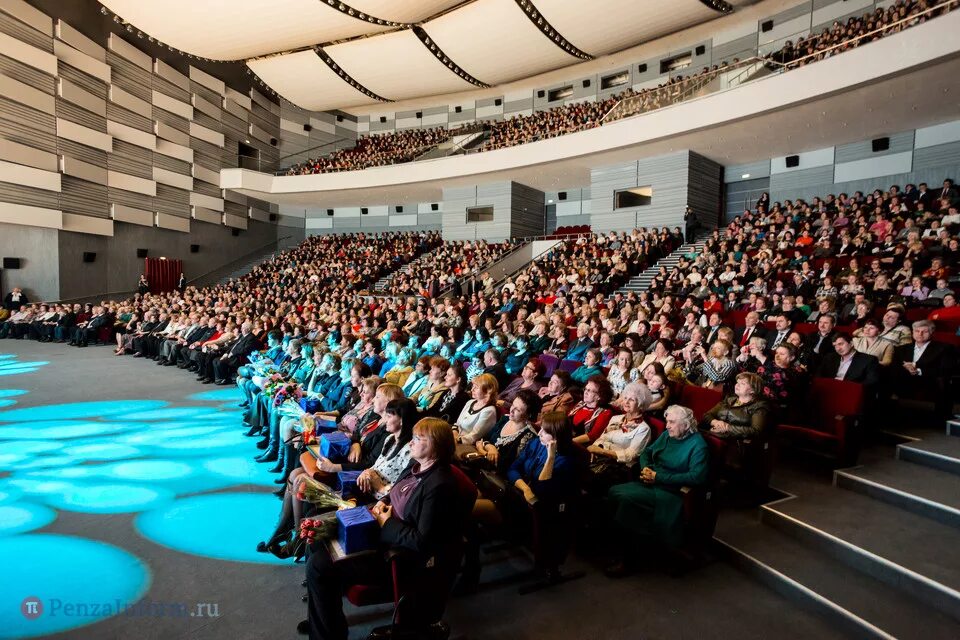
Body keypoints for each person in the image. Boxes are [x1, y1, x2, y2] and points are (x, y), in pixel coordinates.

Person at [302, 418, 472, 640]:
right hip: (381, 532)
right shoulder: (415, 468)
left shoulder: (440, 485)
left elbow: (422, 542)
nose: (411, 442)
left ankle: (325, 633)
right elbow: (394, 494)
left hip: (397, 557)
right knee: (316, 541)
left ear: (437, 446)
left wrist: (385, 521)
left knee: (319, 566)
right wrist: (383, 502)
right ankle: (324, 620)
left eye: (418, 438)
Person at [605, 405, 708, 576]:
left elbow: (697, 477)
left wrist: (658, 477)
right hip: (652, 481)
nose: (667, 426)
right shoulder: (668, 435)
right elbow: (647, 452)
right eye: (667, 421)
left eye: (672, 422)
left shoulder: (698, 445)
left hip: (671, 492)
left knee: (626, 500)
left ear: (686, 425)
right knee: (614, 491)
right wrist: (646, 469)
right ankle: (620, 548)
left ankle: (629, 559)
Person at [586, 382, 652, 494]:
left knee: (590, 479)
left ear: (641, 404)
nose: (626, 402)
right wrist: (595, 448)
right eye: (625, 398)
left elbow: (630, 455)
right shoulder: (616, 418)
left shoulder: (643, 429)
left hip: (619, 467)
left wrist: (602, 451)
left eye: (631, 400)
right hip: (600, 457)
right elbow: (602, 438)